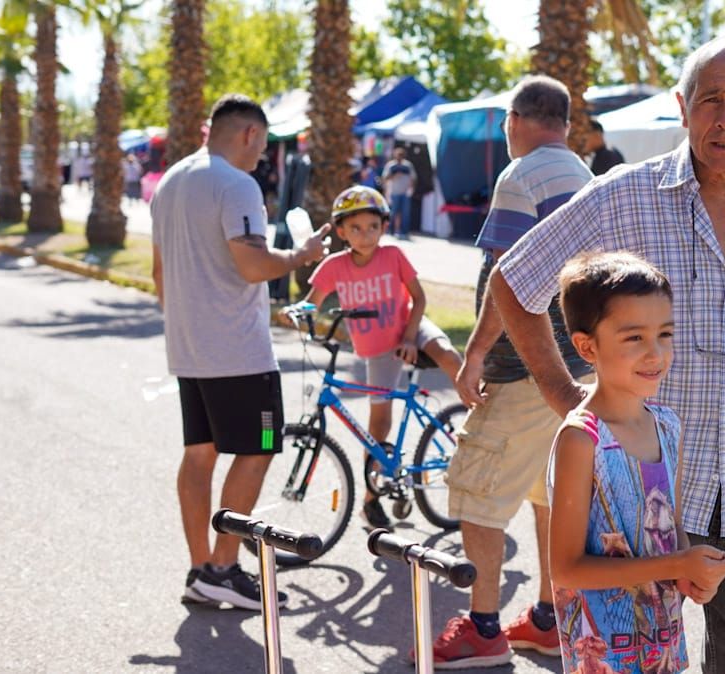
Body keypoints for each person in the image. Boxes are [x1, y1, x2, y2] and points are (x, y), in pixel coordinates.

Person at [487, 36, 725, 673]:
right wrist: (565, 396)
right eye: (711, 99)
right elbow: (515, 278)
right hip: (637, 494)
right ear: (682, 106)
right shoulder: (626, 194)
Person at [428, 75, 596, 669]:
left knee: (478, 492)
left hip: (522, 370)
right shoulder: (584, 175)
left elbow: (509, 281)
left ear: (515, 120)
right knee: (546, 494)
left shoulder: (519, 175)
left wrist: (472, 354)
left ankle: (483, 627)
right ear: (567, 125)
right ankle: (549, 619)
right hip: (573, 372)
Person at [151, 93, 332, 610]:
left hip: (189, 349)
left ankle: (200, 567)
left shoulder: (170, 181)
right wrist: (302, 255)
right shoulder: (237, 184)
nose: (263, 157)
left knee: (199, 453)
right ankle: (223, 566)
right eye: (263, 143)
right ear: (249, 133)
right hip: (239, 352)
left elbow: (159, 275)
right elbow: (253, 265)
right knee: (261, 446)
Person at [547, 251, 725, 674]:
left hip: (662, 650)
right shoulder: (582, 439)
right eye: (634, 338)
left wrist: (691, 574)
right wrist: (674, 565)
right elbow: (565, 567)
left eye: (665, 334)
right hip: (604, 660)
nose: (655, 353)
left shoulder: (667, 425)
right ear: (586, 346)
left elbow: (673, 536)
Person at [287, 185, 464, 527]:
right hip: (378, 349)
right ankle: (371, 500)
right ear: (341, 232)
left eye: (373, 227)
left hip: (409, 326)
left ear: (384, 227)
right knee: (377, 428)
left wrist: (411, 336)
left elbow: (420, 298)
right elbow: (314, 299)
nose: (365, 235)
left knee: (447, 355)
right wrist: (297, 311)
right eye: (355, 228)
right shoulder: (335, 266)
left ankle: (481, 418)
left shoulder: (393, 255)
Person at [381, 146, 416, 239]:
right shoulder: (390, 165)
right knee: (393, 212)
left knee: (405, 213)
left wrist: (411, 189)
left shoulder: (408, 165)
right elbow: (384, 178)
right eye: (398, 155)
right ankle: (391, 231)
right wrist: (394, 175)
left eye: (401, 155)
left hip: (405, 192)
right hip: (394, 192)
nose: (399, 157)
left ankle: (404, 231)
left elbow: (413, 178)